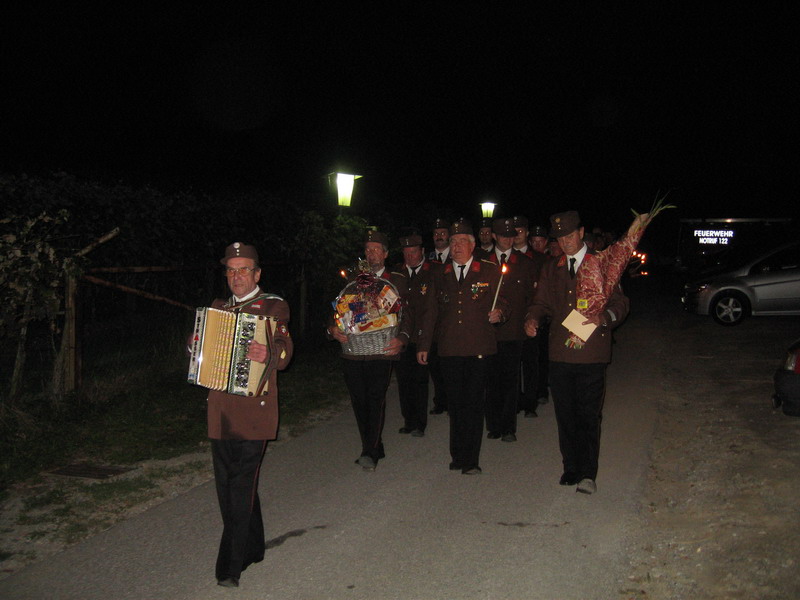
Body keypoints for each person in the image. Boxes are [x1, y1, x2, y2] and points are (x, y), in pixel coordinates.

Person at [203, 242, 294, 588]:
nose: (236, 276)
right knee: (228, 487)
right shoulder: (217, 308)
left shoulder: (273, 305)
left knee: (240, 487)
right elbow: (203, 349)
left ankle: (230, 566)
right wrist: (195, 347)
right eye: (231, 270)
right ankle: (254, 547)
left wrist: (268, 351)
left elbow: (284, 347)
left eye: (244, 270)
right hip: (221, 412)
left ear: (257, 274)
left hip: (255, 412)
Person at [524, 211, 629, 495]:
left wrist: (604, 318)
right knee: (565, 414)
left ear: (581, 233)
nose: (565, 242)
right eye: (560, 238)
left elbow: (620, 303)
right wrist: (532, 319)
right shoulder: (552, 267)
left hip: (591, 352)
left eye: (570, 236)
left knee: (588, 415)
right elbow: (541, 303)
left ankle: (587, 473)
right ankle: (570, 466)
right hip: (560, 352)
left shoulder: (601, 263)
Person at [415, 220, 508, 474]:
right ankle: (458, 455)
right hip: (450, 349)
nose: (456, 246)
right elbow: (430, 312)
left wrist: (500, 313)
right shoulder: (440, 274)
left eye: (461, 242)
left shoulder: (488, 270)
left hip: (479, 348)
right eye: (453, 242)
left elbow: (503, 301)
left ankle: (471, 460)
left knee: (474, 403)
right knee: (455, 404)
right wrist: (424, 344)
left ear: (472, 245)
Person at [328, 230, 407, 471]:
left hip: (381, 349)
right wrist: (333, 330)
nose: (371, 254)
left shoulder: (397, 280)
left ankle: (369, 451)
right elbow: (337, 312)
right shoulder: (353, 281)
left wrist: (402, 338)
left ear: (385, 254)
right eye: (367, 249)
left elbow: (409, 314)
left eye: (376, 249)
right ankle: (374, 444)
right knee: (359, 401)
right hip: (352, 350)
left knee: (375, 398)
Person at [484, 218, 537, 442]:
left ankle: (508, 427)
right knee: (490, 380)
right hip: (487, 332)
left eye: (510, 235)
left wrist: (530, 320)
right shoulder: (482, 261)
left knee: (510, 379)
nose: (507, 239)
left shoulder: (524, 263)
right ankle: (493, 424)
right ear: (494, 236)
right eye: (503, 235)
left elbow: (532, 298)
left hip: (513, 331)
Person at [394, 233, 430, 436]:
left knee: (419, 380)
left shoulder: (431, 272)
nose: (410, 256)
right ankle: (408, 420)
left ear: (422, 251)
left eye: (414, 252)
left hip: (422, 335)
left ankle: (420, 423)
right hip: (402, 335)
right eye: (406, 253)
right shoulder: (397, 274)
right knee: (404, 380)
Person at [427, 218, 451, 414]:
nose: (439, 236)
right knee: (435, 364)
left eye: (443, 233)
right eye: (436, 234)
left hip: (451, 319)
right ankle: (440, 401)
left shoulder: (457, 255)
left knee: (451, 364)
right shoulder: (428, 259)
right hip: (434, 321)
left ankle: (453, 401)